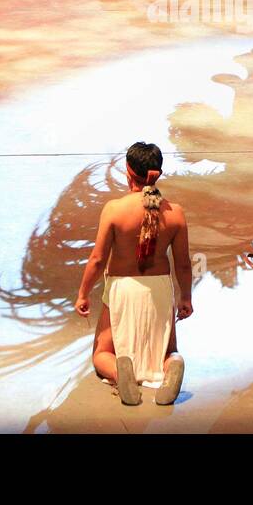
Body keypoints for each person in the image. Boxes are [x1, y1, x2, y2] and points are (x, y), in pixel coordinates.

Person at [75, 142, 191, 406]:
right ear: (158, 173)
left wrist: (83, 293)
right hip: (160, 290)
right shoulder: (176, 214)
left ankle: (119, 371)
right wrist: (185, 297)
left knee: (102, 352)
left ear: (128, 172)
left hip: (122, 289)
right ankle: (173, 363)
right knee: (167, 349)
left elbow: (97, 259)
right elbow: (183, 263)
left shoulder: (115, 210)